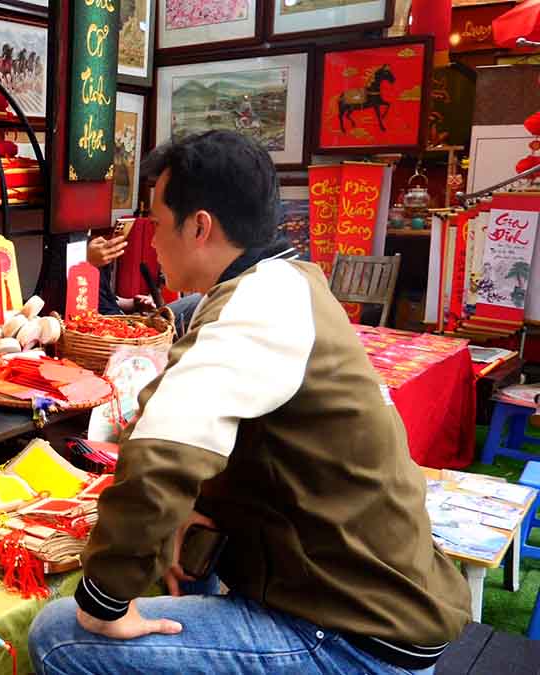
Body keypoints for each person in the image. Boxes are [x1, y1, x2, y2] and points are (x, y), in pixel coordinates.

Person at [28, 130, 470, 674]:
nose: (152, 241)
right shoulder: (290, 281)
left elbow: (163, 451)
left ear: (199, 226)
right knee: (185, 553)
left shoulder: (259, 304)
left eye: (157, 224)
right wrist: (200, 510)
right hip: (369, 598)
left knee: (61, 635)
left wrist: (104, 600)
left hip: (354, 636)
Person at [86, 231, 200, 336]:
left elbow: (107, 297)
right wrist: (86, 262)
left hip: (129, 323)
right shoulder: (82, 256)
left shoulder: (95, 247)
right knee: (199, 302)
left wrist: (133, 304)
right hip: (104, 331)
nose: (153, 242)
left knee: (201, 299)